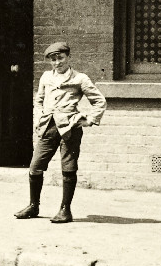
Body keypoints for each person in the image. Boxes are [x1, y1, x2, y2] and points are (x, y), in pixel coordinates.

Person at [15, 41, 106, 224]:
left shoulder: (80, 78)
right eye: (53, 59)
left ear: (68, 57)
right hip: (48, 127)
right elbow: (39, 100)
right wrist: (40, 118)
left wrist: (89, 120)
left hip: (69, 128)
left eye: (61, 58)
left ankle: (65, 210)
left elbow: (99, 101)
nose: (57, 63)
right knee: (35, 166)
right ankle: (34, 205)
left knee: (68, 168)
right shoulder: (46, 77)